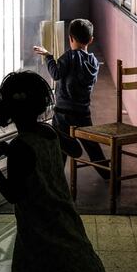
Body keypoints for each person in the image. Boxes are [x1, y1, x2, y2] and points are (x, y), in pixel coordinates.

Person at [0, 71, 112, 272]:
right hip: (66, 221)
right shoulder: (49, 132)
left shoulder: (20, 147)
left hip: (39, 232)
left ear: (11, 111)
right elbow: (76, 149)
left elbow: (13, 195)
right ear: (40, 106)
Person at [32, 19, 109, 178]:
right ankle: (107, 174)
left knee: (60, 145)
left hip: (63, 114)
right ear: (91, 40)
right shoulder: (94, 62)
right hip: (83, 113)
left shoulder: (69, 57)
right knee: (92, 147)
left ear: (70, 39)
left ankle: (56, 175)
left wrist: (49, 56)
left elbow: (56, 74)